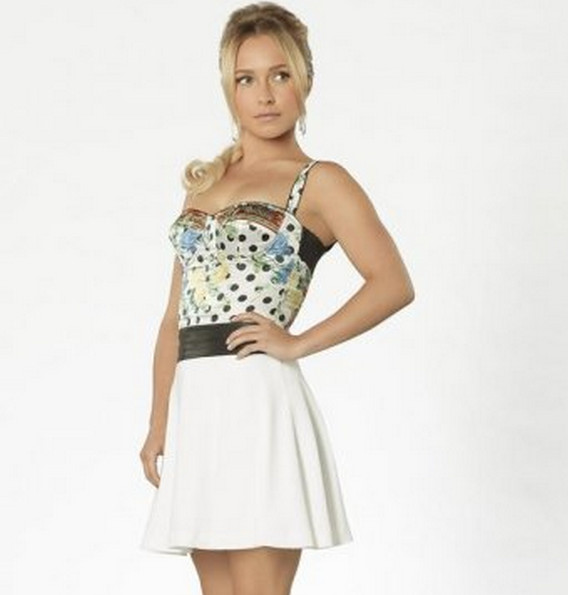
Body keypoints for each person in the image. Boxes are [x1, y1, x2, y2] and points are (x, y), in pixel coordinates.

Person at [139, 2, 415, 593]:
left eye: (280, 75)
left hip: (257, 402)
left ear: (305, 81)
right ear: (229, 89)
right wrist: (159, 420)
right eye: (247, 79)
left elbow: (393, 283)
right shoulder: (205, 184)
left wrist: (296, 343)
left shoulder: (321, 180)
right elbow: (171, 320)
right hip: (197, 408)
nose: (264, 94)